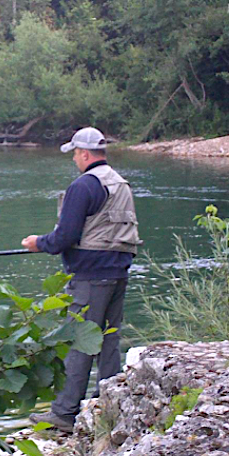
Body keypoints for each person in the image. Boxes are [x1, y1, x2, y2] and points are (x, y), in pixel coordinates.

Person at [21, 127, 142, 432]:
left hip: (90, 276)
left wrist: (39, 243)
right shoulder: (120, 183)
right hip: (118, 273)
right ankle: (108, 402)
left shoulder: (83, 186)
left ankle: (64, 413)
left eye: (75, 153)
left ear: (85, 154)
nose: (74, 158)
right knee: (108, 340)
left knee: (80, 341)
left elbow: (66, 236)